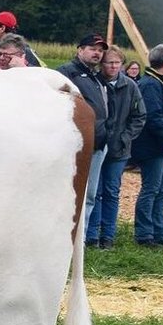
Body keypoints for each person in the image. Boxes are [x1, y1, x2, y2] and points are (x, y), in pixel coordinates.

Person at [84, 46, 146, 249]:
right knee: (95, 191)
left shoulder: (129, 86)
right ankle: (91, 235)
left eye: (116, 63)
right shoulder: (94, 83)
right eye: (108, 62)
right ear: (102, 64)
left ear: (122, 65)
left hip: (119, 149)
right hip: (98, 145)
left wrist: (126, 137)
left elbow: (139, 116)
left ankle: (108, 235)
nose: (112, 66)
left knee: (112, 191)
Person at [58, 34, 109, 236]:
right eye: (92, 48)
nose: (97, 53)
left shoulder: (98, 76)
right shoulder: (66, 73)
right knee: (70, 193)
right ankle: (66, 236)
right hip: (75, 145)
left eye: (100, 49)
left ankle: (83, 236)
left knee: (90, 194)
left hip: (98, 143)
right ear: (80, 50)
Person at [131, 43, 163, 248]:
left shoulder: (162, 83)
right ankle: (144, 234)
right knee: (151, 189)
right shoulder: (151, 84)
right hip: (152, 147)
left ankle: (160, 235)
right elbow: (154, 118)